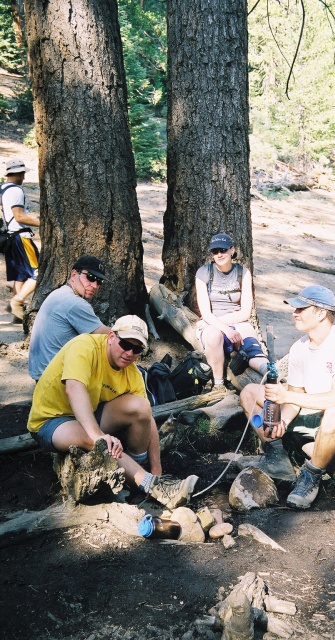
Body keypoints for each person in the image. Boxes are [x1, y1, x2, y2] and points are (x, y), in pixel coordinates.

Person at [27, 314, 198, 509]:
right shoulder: (84, 346)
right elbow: (74, 388)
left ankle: (136, 473)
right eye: (125, 344)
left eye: (137, 349)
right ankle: (152, 486)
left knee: (141, 407)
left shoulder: (132, 371)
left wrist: (157, 467)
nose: (129, 353)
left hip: (89, 411)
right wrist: (99, 436)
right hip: (51, 419)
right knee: (93, 440)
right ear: (110, 337)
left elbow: (147, 418)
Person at [240, 285, 335, 509]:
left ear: (321, 313)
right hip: (311, 411)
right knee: (250, 393)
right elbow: (296, 396)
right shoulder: (299, 348)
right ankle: (276, 454)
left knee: (333, 414)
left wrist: (286, 397)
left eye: (301, 308)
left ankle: (311, 475)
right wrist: (283, 420)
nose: (295, 313)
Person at [195, 233, 268, 392]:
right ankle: (218, 384)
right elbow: (206, 313)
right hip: (213, 323)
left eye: (223, 250)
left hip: (236, 319)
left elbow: (245, 312)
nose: (219, 254)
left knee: (249, 338)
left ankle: (268, 372)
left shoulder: (243, 272)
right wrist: (226, 329)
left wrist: (224, 324)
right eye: (215, 251)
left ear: (232, 250)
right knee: (214, 335)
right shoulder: (203, 273)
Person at [29, 255, 111, 381]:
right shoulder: (75, 303)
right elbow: (108, 336)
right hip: (53, 379)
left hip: (41, 373)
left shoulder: (60, 293)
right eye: (90, 277)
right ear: (73, 274)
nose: (94, 285)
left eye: (99, 281)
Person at [0, 159, 40, 321]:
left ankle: (18, 314)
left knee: (20, 275)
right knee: (39, 273)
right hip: (21, 238)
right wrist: (42, 223)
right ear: (16, 173)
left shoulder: (2, 188)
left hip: (10, 238)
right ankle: (17, 301)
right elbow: (19, 216)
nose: (24, 176)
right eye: (22, 173)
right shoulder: (16, 191)